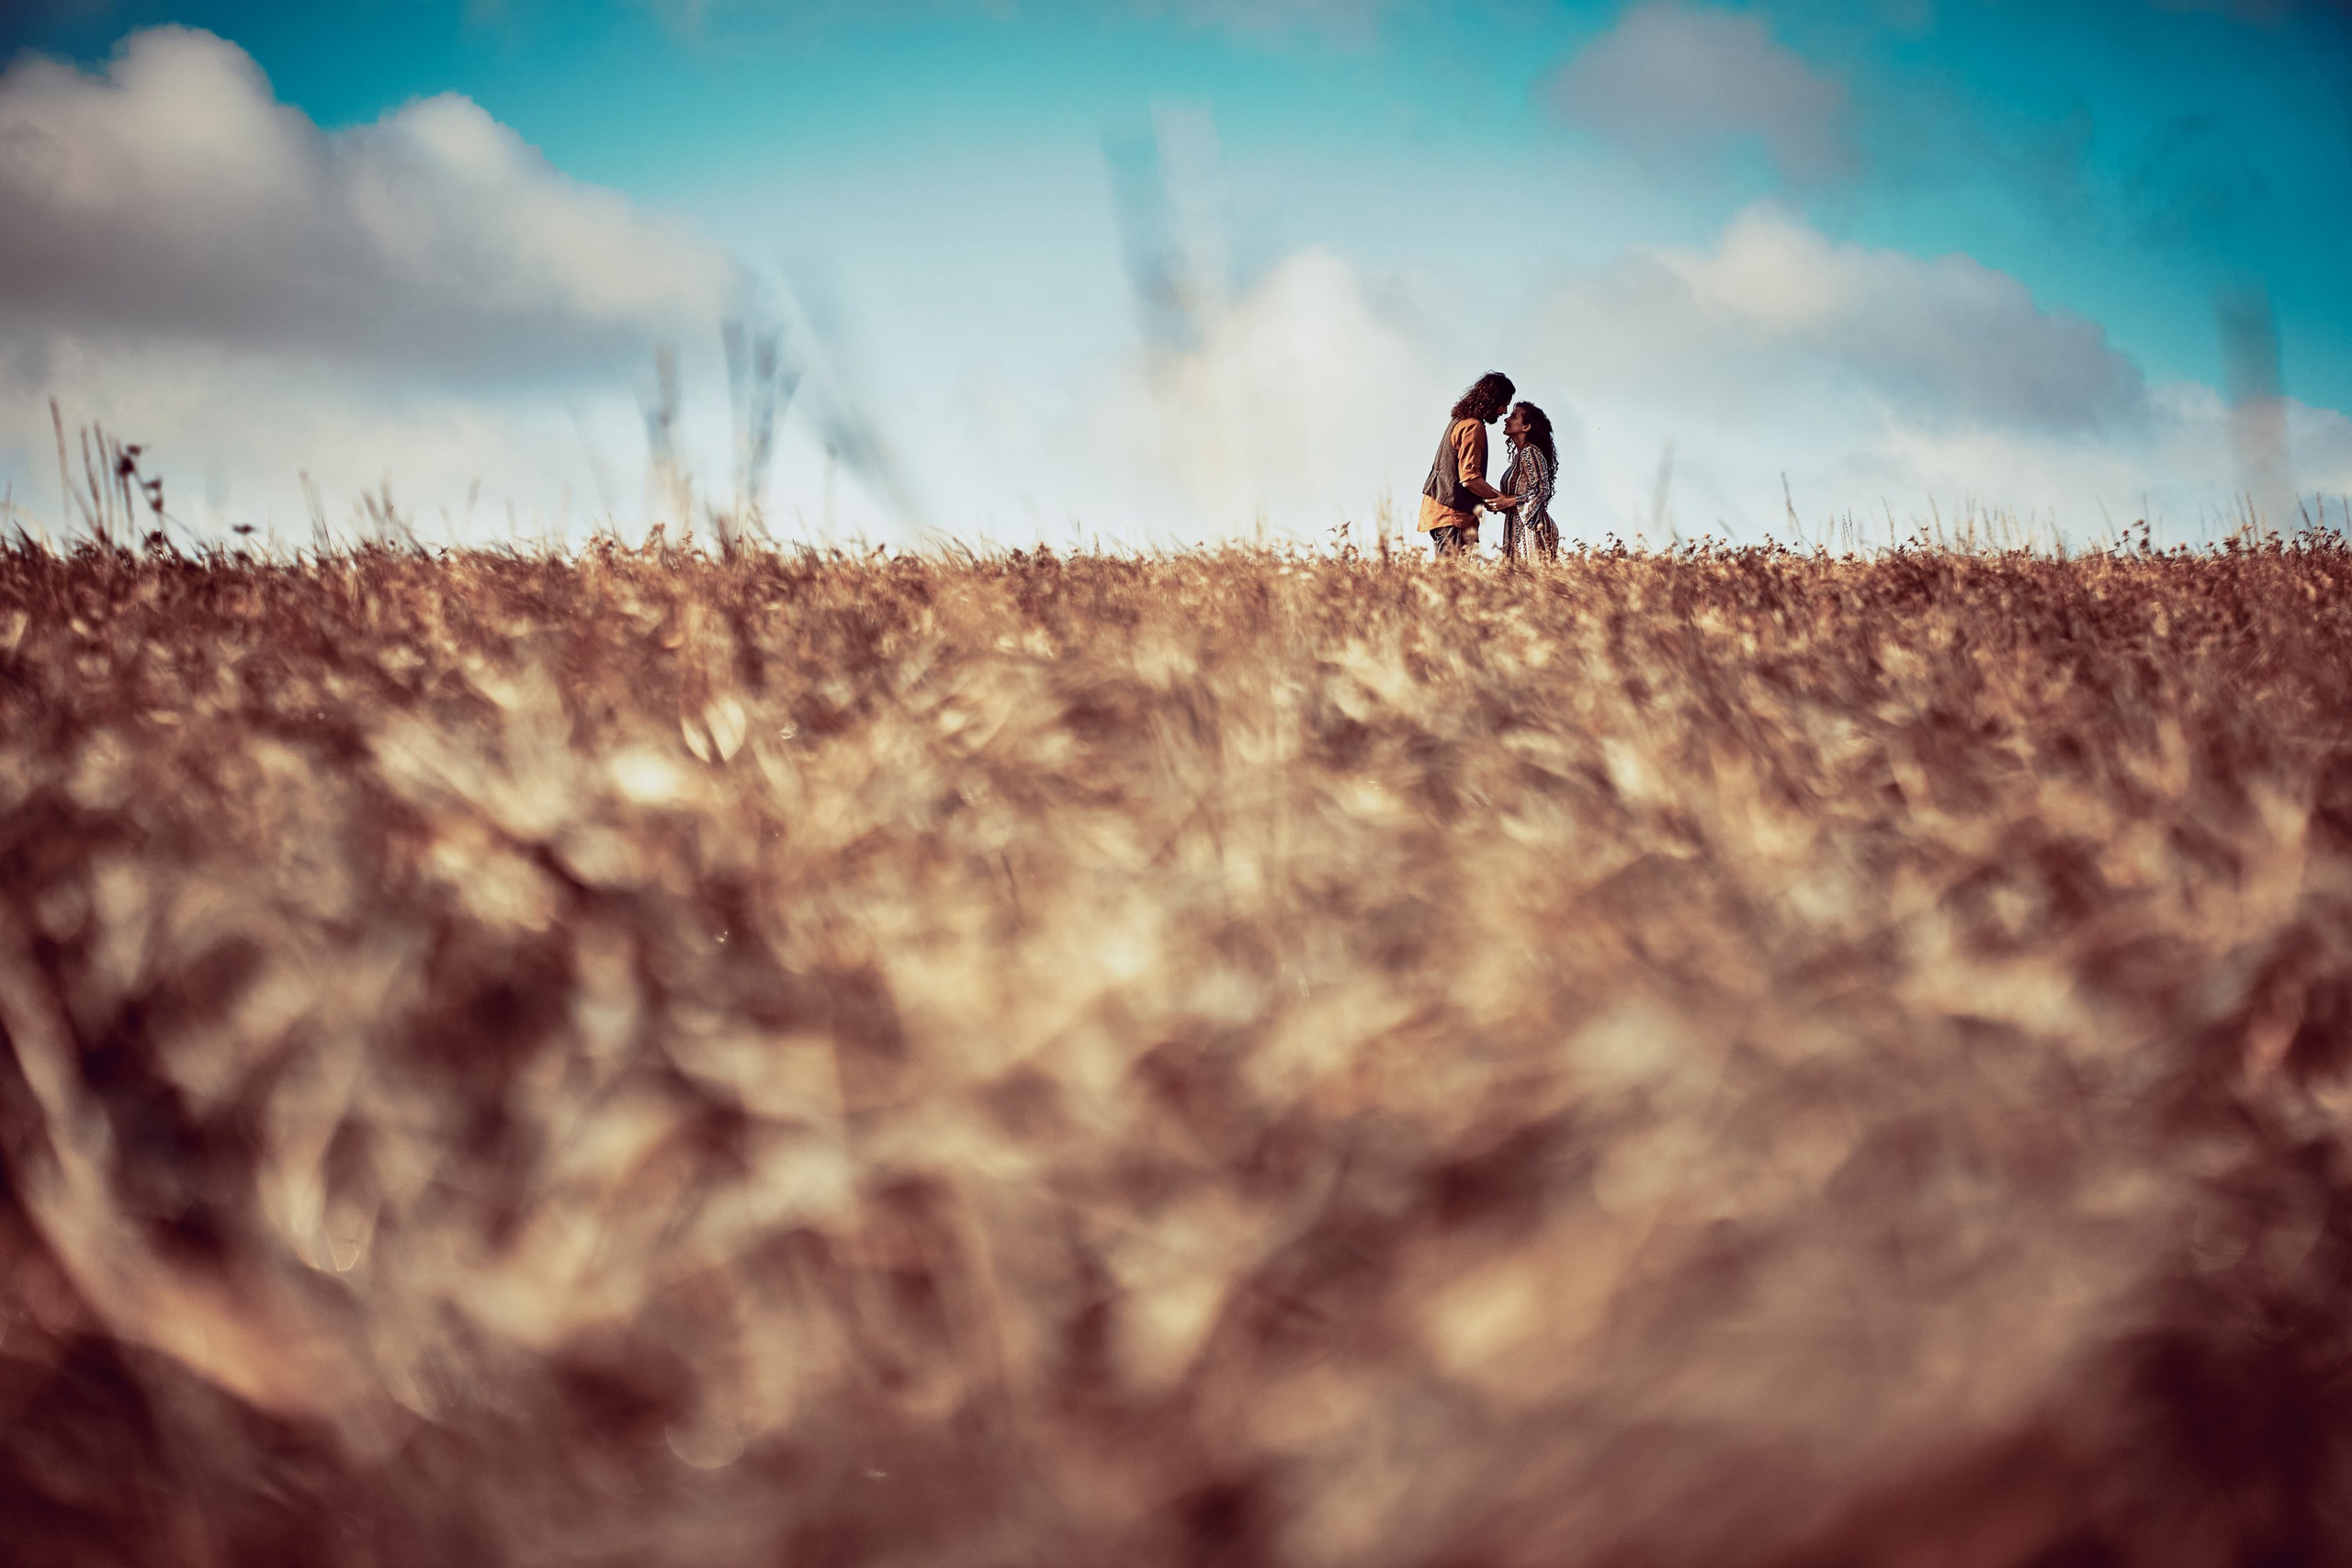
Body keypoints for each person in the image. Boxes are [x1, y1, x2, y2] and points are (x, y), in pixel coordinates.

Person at [1418, 372, 1514, 558]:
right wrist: (1500, 500)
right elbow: (1469, 478)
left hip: (1441, 513)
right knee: (1451, 580)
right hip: (1452, 517)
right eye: (1504, 404)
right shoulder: (1473, 426)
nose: (1504, 412)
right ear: (1492, 400)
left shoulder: (1459, 421)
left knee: (1449, 577)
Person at [1487, 400, 1559, 562]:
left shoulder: (1530, 452)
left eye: (1513, 416)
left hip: (1534, 528)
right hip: (1516, 528)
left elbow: (1542, 490)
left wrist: (1508, 502)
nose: (1506, 419)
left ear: (1526, 427)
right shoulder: (1519, 457)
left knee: (1535, 582)